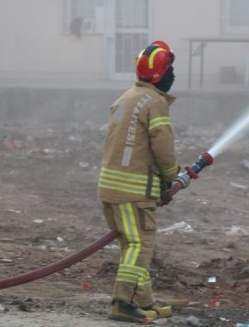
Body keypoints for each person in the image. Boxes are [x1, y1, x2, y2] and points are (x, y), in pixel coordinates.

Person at [97, 40, 180, 323]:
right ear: (159, 74)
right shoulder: (155, 103)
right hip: (132, 193)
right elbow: (163, 147)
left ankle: (143, 300)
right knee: (140, 244)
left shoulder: (127, 97)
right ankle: (122, 302)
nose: (173, 76)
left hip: (110, 188)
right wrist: (171, 176)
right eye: (170, 70)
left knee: (132, 245)